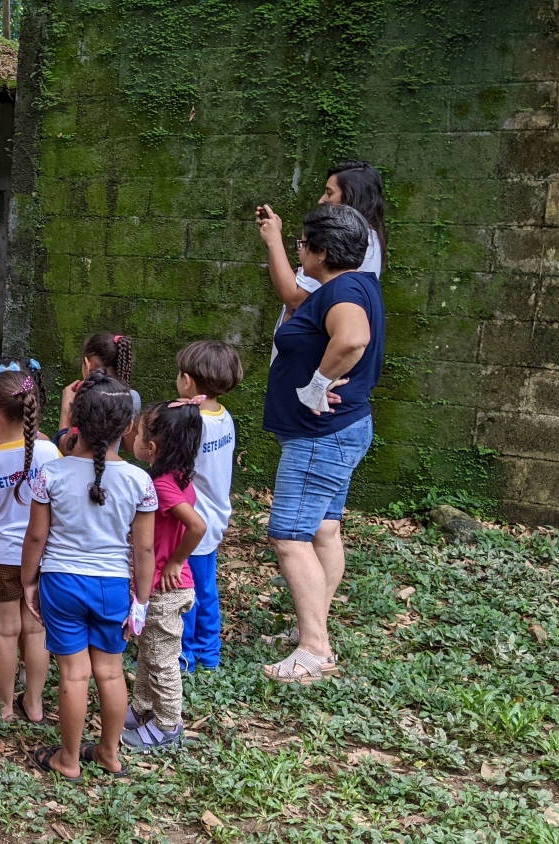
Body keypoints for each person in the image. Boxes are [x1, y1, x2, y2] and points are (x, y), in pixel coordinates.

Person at [258, 204, 385, 684]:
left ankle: (315, 649)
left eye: (302, 244)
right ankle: (312, 627)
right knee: (324, 530)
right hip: (341, 429)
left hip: (320, 436)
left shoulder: (345, 290)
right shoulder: (353, 284)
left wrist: (317, 383)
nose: (298, 250)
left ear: (323, 251)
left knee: (289, 536)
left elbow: (352, 339)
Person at [22, 373, 156, 781]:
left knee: (73, 674)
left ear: (74, 423)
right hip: (113, 587)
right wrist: (141, 602)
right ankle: (111, 754)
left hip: (61, 583)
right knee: (111, 672)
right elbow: (144, 550)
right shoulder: (140, 481)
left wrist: (29, 581)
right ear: (129, 427)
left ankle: (68, 759)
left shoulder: (51, 475)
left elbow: (36, 536)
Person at [0, 362, 59, 723]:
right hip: (45, 560)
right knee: (36, 630)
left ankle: (2, 706)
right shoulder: (52, 455)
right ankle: (33, 704)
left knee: (5, 632)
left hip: (2, 559)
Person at [123, 400, 205, 752]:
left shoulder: (163, 485)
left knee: (161, 659)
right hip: (157, 586)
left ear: (151, 447)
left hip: (166, 588)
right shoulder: (179, 476)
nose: (134, 437)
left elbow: (197, 526)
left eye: (138, 432)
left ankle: (168, 724)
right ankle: (143, 707)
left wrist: (175, 560)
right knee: (149, 650)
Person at [257, 161, 387, 363]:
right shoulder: (367, 239)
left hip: (310, 360)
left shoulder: (362, 243)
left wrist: (275, 242)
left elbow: (294, 297)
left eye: (329, 193)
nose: (321, 200)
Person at [174, 341, 244, 674]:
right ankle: (209, 653)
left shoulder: (190, 423)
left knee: (186, 592)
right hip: (213, 518)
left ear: (187, 380)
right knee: (205, 588)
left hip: (190, 525)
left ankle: (184, 656)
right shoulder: (223, 416)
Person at [57, 332, 141, 452]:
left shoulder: (85, 397)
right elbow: (129, 446)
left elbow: (67, 450)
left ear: (88, 363)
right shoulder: (132, 396)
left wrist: (67, 408)